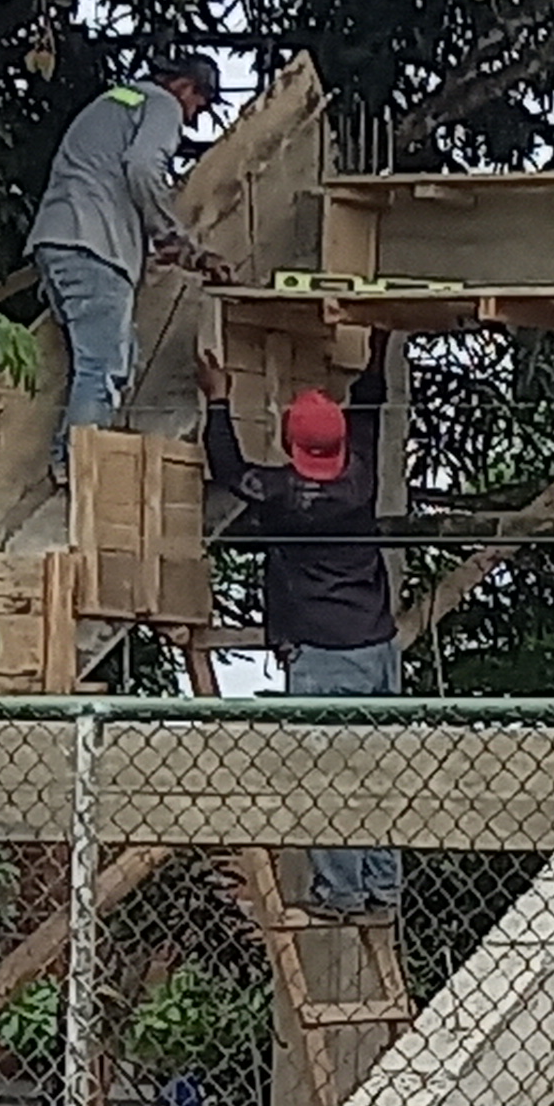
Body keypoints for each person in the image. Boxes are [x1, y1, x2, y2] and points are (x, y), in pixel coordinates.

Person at [197, 350, 403, 918]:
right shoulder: (360, 476)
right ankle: (382, 887)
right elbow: (370, 405)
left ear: (291, 444)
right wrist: (379, 340)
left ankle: (340, 892)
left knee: (326, 775)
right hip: (378, 644)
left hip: (323, 654)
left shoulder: (282, 493)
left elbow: (230, 469)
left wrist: (218, 398)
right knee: (377, 768)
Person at [30, 53, 232, 482]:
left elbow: (113, 179)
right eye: (197, 106)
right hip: (93, 246)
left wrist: (161, 248)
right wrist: (174, 237)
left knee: (117, 357)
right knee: (103, 367)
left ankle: (71, 457)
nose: (191, 118)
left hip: (61, 237)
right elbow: (143, 168)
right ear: (185, 87)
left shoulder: (118, 101)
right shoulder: (162, 104)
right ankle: (77, 471)